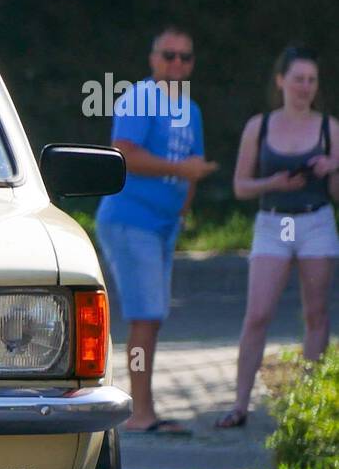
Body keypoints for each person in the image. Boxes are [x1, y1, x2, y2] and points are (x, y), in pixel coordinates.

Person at [94, 26, 218, 434]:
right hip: (130, 220)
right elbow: (124, 154)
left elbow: (195, 164)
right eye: (169, 55)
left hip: (163, 225)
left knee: (153, 317)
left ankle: (143, 405)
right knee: (145, 316)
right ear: (153, 58)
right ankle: (139, 412)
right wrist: (181, 171)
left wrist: (182, 210)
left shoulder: (193, 109)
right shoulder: (139, 98)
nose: (177, 64)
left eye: (185, 57)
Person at [217, 47, 336, 427]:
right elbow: (240, 186)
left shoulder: (329, 129)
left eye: (311, 80)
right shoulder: (260, 126)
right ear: (281, 81)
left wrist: (333, 166)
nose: (305, 87)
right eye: (298, 79)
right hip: (272, 222)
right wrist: (274, 182)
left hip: (315, 219)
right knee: (258, 314)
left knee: (316, 313)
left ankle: (310, 403)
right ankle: (239, 405)